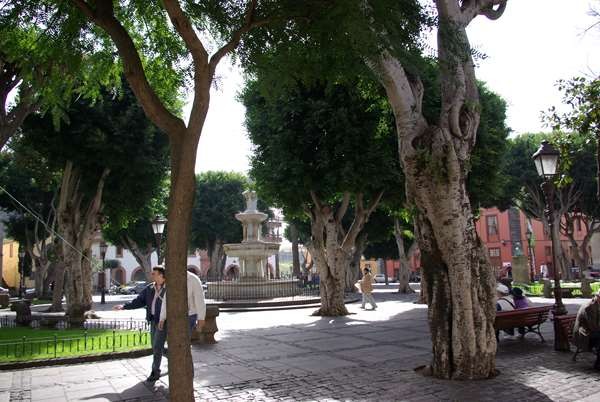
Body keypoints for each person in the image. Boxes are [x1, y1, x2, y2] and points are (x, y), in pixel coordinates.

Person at [113, 266, 166, 382]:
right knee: (155, 346)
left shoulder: (168, 289)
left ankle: (155, 371)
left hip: (163, 322)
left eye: (154, 273)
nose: (152, 275)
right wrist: (124, 306)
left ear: (161, 275)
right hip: (153, 320)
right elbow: (138, 301)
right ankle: (174, 359)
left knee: (157, 346)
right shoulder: (150, 288)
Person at [159, 269, 206, 336]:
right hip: (174, 315)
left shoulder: (193, 279)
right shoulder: (171, 279)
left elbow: (200, 300)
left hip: (189, 316)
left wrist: (201, 319)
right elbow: (166, 299)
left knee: (183, 340)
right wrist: (162, 318)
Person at [573, 289, 600, 369]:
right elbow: (593, 326)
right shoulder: (590, 307)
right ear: (598, 297)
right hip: (584, 334)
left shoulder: (597, 304)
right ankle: (598, 364)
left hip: (593, 331)